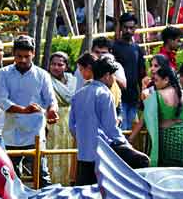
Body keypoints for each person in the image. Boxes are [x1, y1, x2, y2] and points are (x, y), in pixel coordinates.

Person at [70, 53, 148, 185]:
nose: (114, 79)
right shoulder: (105, 94)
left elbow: (72, 127)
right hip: (103, 152)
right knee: (142, 160)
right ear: (107, 75)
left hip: (83, 154)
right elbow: (111, 129)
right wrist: (126, 144)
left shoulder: (78, 94)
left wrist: (85, 141)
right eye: (113, 75)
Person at [0, 35, 58, 185]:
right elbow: (1, 101)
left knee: (42, 175)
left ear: (33, 54)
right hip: (12, 131)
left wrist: (52, 111)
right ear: (13, 53)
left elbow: (51, 100)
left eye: (26, 56)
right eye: (19, 56)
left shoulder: (42, 75)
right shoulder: (3, 73)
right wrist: (24, 110)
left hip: (35, 132)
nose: (23, 60)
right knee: (11, 177)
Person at [131, 65, 183, 168]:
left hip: (166, 145)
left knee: (166, 179)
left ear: (166, 80)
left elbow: (143, 120)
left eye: (156, 81)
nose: (155, 84)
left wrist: (130, 139)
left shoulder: (155, 97)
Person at [110, 12, 147, 131]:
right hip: (118, 96)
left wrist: (142, 96)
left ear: (135, 29)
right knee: (122, 129)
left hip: (133, 96)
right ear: (120, 27)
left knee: (133, 130)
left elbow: (142, 74)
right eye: (125, 27)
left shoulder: (138, 49)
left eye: (131, 28)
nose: (128, 30)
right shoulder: (114, 47)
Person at [47, 51, 78, 182]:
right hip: (52, 120)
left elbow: (73, 99)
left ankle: (68, 181)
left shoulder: (73, 80)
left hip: (70, 119)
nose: (56, 67)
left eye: (60, 64)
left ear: (66, 66)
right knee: (53, 152)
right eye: (53, 64)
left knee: (69, 151)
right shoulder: (46, 79)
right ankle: (52, 182)